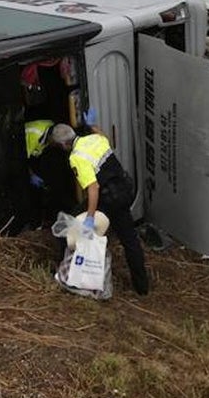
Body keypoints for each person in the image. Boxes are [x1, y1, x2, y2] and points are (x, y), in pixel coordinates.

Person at [48, 122, 150, 295]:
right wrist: (92, 125)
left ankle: (68, 273)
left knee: (70, 226)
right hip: (125, 188)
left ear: (63, 145)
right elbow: (105, 138)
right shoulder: (95, 139)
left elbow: (93, 188)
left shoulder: (76, 157)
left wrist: (89, 217)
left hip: (108, 198)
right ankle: (142, 287)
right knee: (130, 240)